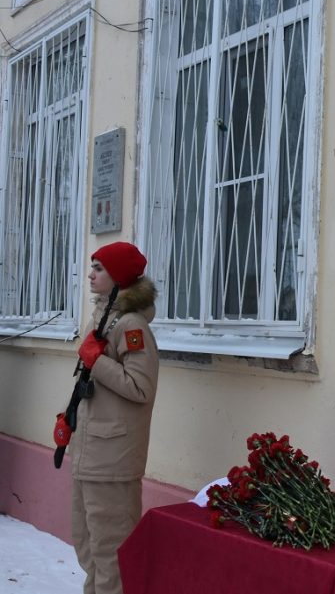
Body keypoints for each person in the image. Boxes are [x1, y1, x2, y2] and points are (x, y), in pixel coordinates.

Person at [65, 241, 159, 594]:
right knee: (87, 545)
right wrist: (69, 415)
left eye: (100, 268)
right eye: (92, 266)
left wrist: (97, 361)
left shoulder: (131, 325)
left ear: (119, 276)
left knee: (112, 554)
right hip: (89, 451)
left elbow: (140, 388)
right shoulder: (103, 317)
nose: (90, 274)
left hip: (113, 458)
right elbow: (91, 383)